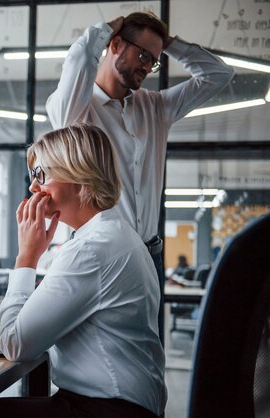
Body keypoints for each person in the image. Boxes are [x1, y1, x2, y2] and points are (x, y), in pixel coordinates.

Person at [45, 12, 234, 338]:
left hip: (148, 252)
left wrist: (169, 44)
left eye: (154, 61)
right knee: (93, 346)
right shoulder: (75, 109)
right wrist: (108, 28)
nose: (148, 66)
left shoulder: (157, 107)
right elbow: (79, 57)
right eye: (143, 55)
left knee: (146, 349)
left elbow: (219, 74)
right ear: (115, 44)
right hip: (99, 251)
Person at [0, 124, 166, 418]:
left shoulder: (91, 249)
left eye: (42, 175)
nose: (32, 187)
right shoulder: (111, 235)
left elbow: (16, 344)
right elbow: (26, 329)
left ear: (79, 173)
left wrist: (27, 254)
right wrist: (22, 321)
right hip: (122, 404)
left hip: (106, 409)